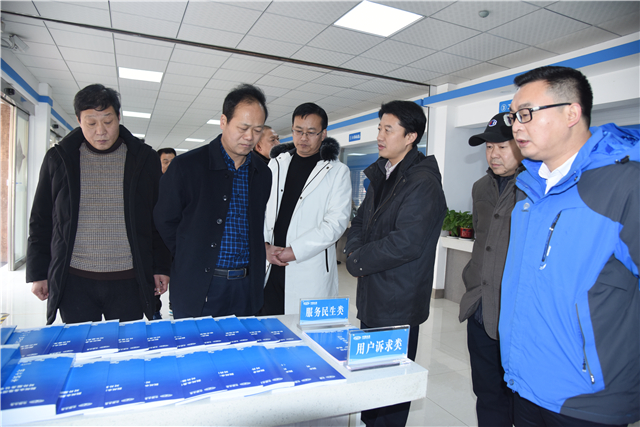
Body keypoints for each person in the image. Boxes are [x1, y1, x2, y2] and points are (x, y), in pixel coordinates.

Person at [500, 66, 639, 426]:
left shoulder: (626, 185)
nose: (516, 126)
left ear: (571, 113)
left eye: (526, 113)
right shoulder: (530, 190)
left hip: (587, 400)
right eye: (513, 116)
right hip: (525, 385)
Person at [26, 84, 171, 325]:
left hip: (129, 279)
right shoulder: (59, 159)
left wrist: (161, 266)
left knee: (127, 345)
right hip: (74, 280)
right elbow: (41, 219)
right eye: (91, 123)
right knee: (80, 345)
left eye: (108, 121)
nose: (101, 131)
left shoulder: (143, 159)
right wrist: (38, 272)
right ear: (78, 120)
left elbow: (157, 218)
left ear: (119, 117)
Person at [344, 100, 447, 427]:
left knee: (390, 392)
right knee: (371, 383)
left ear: (410, 137)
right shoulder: (383, 174)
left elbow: (406, 242)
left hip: (397, 304)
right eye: (379, 128)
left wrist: (357, 260)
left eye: (388, 129)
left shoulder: (422, 183)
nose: (380, 136)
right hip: (373, 298)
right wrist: (354, 250)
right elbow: (360, 222)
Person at [154, 84, 271, 320]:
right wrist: (191, 254)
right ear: (223, 121)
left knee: (242, 343)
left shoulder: (262, 173)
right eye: (243, 128)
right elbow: (164, 220)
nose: (250, 137)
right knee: (195, 343)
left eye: (257, 130)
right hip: (200, 286)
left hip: (246, 288)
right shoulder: (187, 167)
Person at [458, 113, 524, 427]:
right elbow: (481, 239)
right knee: (486, 393)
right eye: (488, 147)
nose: (493, 154)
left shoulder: (535, 188)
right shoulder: (480, 188)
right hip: (481, 309)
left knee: (519, 398)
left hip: (516, 314)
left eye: (502, 146)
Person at [262, 103, 351, 315]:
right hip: (270, 264)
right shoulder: (276, 164)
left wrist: (294, 251)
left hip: (309, 268)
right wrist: (263, 246)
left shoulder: (337, 172)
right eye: (298, 131)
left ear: (323, 134)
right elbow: (260, 211)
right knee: (268, 326)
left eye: (311, 132)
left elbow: (335, 224)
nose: (303, 138)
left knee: (302, 330)